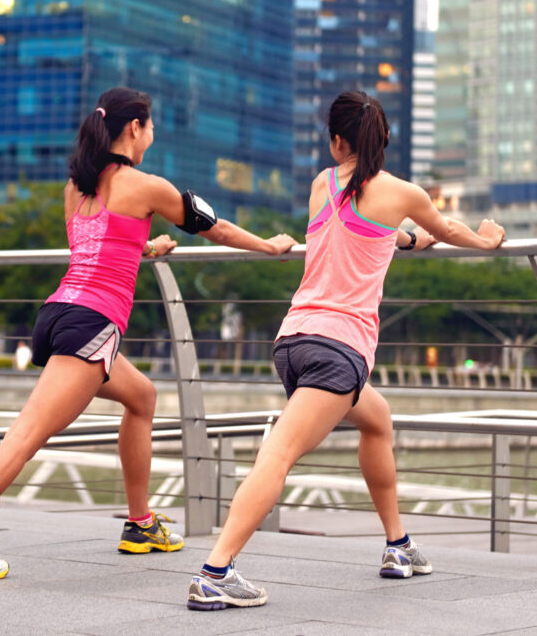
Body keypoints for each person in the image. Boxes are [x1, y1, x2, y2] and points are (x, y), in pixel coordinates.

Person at [0, 87, 297, 583]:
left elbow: (94, 249)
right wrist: (270, 247)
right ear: (135, 128)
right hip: (90, 325)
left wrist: (144, 247)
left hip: (61, 312)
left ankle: (141, 524)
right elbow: (219, 229)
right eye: (151, 125)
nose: (153, 134)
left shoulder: (77, 187)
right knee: (24, 438)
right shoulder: (145, 185)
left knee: (142, 396)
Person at [186, 90, 506, 610]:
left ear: (338, 142)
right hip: (339, 350)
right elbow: (448, 231)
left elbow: (363, 231)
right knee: (280, 452)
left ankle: (398, 546)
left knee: (376, 419)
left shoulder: (323, 183)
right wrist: (488, 241)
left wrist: (402, 241)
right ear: (382, 140)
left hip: (294, 341)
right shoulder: (404, 193)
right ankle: (214, 571)